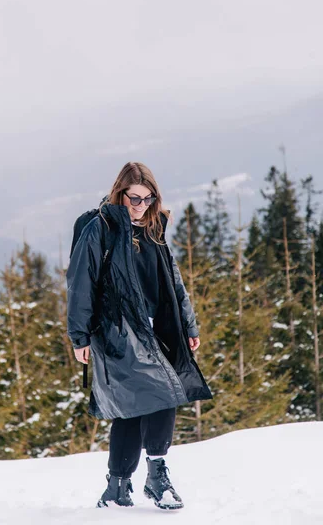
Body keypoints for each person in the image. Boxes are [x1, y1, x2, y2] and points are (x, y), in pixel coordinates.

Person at [66, 161, 212, 510]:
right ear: (120, 193)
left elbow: (172, 280)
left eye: (149, 198)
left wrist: (188, 325)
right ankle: (156, 474)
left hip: (158, 328)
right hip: (117, 332)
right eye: (135, 198)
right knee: (161, 394)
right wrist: (79, 337)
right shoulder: (99, 227)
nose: (142, 205)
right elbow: (80, 284)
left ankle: (117, 486)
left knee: (134, 408)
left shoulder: (153, 228)